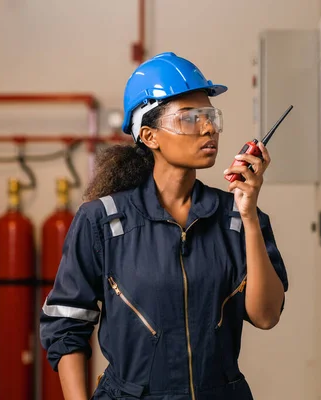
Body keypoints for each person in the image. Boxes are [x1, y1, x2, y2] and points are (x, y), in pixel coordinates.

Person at [39, 52, 288, 400]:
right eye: (190, 118)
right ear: (150, 136)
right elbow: (67, 325)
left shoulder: (236, 218)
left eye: (210, 116)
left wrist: (248, 216)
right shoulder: (102, 220)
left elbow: (266, 316)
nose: (208, 128)